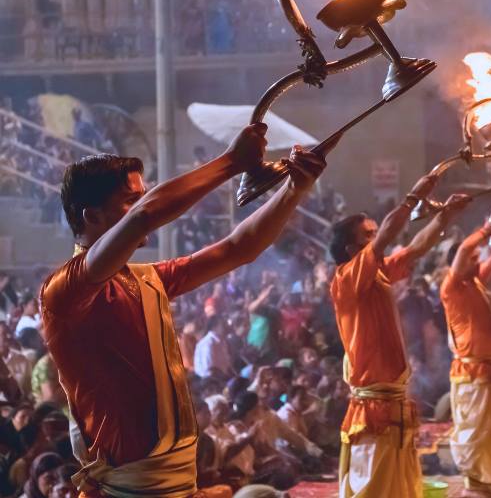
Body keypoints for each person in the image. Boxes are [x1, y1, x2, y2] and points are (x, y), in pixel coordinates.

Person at [39, 125, 325, 496]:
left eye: (142, 197)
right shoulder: (64, 291)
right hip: (131, 487)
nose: (143, 205)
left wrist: (294, 189)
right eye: (131, 199)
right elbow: (145, 216)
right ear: (91, 216)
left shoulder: (146, 279)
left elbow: (238, 247)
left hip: (179, 481)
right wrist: (230, 163)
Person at [328, 172, 467, 498]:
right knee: (375, 488)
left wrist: (446, 217)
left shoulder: (377, 271)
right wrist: (415, 194)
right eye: (370, 235)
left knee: (401, 486)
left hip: (392, 398)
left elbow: (416, 247)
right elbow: (391, 234)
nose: (378, 238)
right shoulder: (347, 279)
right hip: (374, 403)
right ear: (352, 248)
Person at [440, 202, 491, 495]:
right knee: (478, 431)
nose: (477, 260)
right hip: (473, 373)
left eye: (478, 257)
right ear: (457, 264)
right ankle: (479, 486)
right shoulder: (451, 287)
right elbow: (464, 250)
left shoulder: (475, 281)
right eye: (474, 257)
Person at [194, 315, 234, 379]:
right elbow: (209, 371)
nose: (227, 327)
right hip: (211, 383)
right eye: (223, 324)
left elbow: (226, 365)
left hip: (223, 378)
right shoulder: (208, 344)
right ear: (215, 327)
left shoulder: (222, 341)